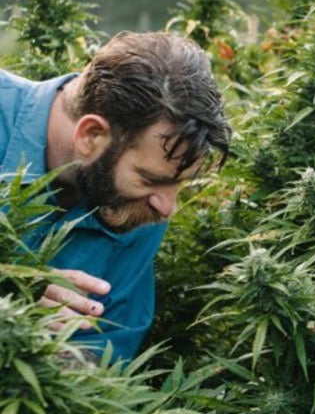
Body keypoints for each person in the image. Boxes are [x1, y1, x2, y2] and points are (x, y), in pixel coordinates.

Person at [0, 31, 231, 362]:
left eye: (179, 184)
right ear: (92, 135)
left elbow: (105, 354)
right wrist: (11, 296)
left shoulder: (140, 209)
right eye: (150, 179)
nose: (167, 208)